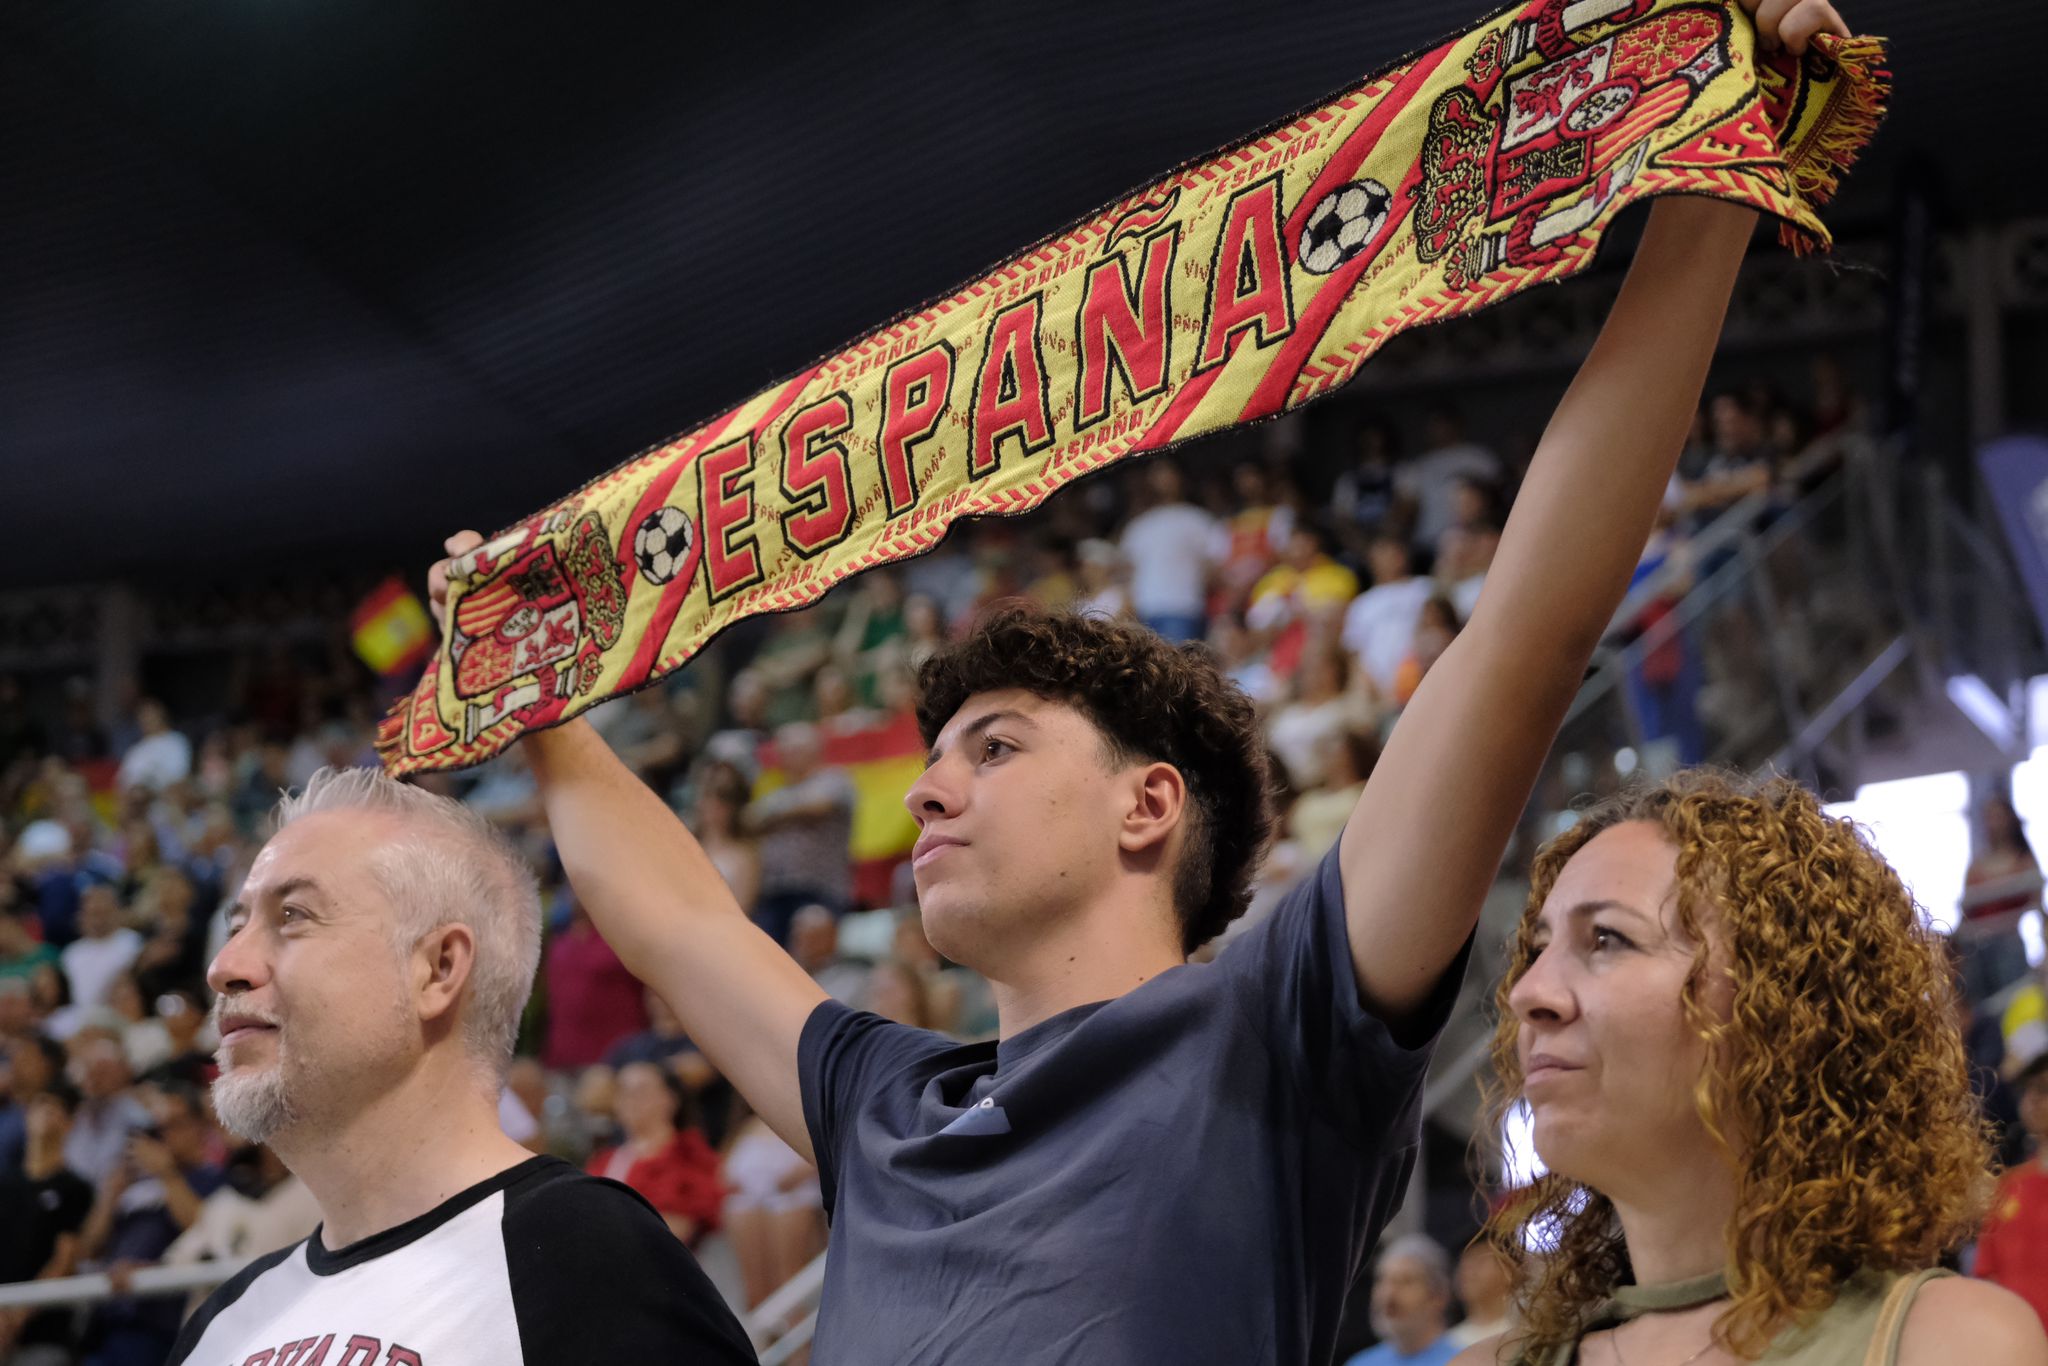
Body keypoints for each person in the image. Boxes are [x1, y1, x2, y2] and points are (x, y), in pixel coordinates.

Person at [430, 53, 1833, 1359]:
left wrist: (1712, 188)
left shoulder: (1280, 1025)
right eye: (936, 756)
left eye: (993, 746)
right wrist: (529, 692)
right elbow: (674, 919)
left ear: (1149, 803)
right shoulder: (882, 1103)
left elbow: (1524, 633)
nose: (926, 790)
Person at [1454, 770, 2045, 1366]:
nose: (1528, 992)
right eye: (1536, 948)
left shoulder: (1952, 1346)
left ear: (1785, 1005)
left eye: (1607, 938)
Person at [166, 768, 755, 1365]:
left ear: (439, 969)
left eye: (293, 915)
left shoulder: (584, 1259)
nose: (224, 966)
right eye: (236, 925)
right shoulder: (224, 1323)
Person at [0, 1084, 94, 1365]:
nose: (45, 1114)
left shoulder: (75, 1188)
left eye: (54, 1110)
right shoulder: (4, 1182)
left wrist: (14, 1317)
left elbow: (64, 1260)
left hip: (43, 1331)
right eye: (40, 1106)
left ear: (68, 1124)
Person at [586, 1061, 726, 1248]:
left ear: (670, 1099)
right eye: (623, 1091)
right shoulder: (604, 1162)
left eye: (641, 1091)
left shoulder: (691, 1154)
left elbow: (685, 1225)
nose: (630, 1100)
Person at [744, 721, 857, 947]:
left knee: (812, 955)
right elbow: (746, 822)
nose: (785, 758)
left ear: (814, 751)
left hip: (819, 890)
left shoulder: (835, 780)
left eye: (793, 751)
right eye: (783, 752)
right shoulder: (778, 791)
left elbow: (818, 808)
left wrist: (773, 817)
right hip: (775, 892)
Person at [1977, 1052, 2048, 1331]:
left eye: (2043, 1089)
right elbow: (1987, 1273)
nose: (2032, 1099)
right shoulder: (2009, 1185)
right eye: (2028, 1089)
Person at [1117, 459, 1222, 641]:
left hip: (1183, 610)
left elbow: (1215, 565)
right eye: (1157, 474)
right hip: (1144, 614)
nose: (1162, 480)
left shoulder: (1198, 519)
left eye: (1167, 474)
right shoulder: (1138, 525)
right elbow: (1126, 573)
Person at [1344, 1235, 1458, 1366]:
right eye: (1382, 1280)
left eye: (1405, 1282)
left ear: (1439, 1297)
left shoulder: (1465, 1361)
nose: (1388, 1294)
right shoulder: (1359, 1363)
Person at [1446, 1236, 1513, 1349]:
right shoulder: (1448, 1343)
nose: (1467, 1271)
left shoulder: (1523, 1335)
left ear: (1509, 1270)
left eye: (1479, 1261)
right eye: (1463, 1262)